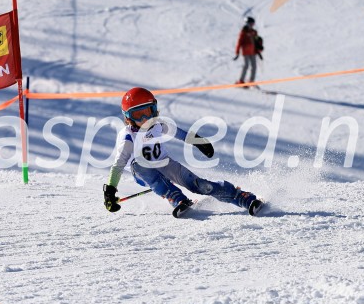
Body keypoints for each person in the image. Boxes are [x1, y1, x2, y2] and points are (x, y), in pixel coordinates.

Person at [102, 87, 265, 218]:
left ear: (155, 109)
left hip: (165, 165)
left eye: (148, 111)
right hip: (143, 173)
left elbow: (180, 134)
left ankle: (241, 197)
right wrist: (110, 191)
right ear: (128, 118)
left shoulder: (159, 125)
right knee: (139, 164)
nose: (145, 119)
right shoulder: (128, 138)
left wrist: (198, 141)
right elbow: (118, 166)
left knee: (201, 186)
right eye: (138, 115)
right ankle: (175, 196)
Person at [234, 16, 263, 87]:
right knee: (246, 66)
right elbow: (239, 42)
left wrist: (259, 47)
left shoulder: (254, 32)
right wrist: (237, 52)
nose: (252, 25)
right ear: (247, 24)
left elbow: (256, 41)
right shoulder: (244, 32)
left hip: (252, 52)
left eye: (253, 24)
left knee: (254, 66)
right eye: (251, 24)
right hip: (245, 52)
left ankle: (251, 81)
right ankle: (241, 80)